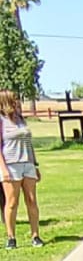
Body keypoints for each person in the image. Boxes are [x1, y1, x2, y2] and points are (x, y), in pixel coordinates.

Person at [1, 89, 43, 249]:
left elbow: (28, 143)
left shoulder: (20, 119)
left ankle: (35, 235)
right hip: (11, 165)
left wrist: (35, 164)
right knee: (12, 202)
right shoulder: (1, 121)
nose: (17, 101)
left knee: (31, 201)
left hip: (27, 163)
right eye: (14, 98)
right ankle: (11, 237)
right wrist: (3, 169)